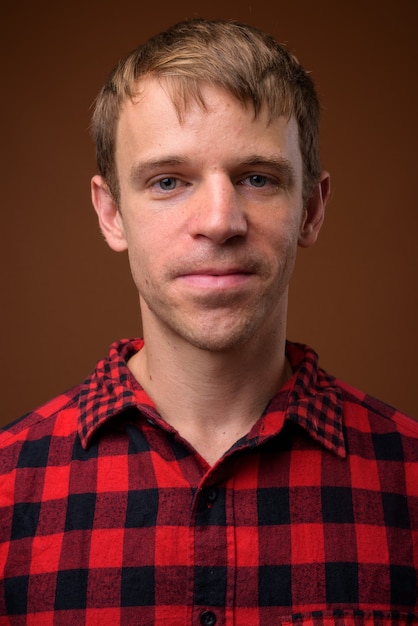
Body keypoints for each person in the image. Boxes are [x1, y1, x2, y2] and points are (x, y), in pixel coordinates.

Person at [0, 17, 417, 625]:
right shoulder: (8, 489)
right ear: (112, 213)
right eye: (168, 181)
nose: (220, 221)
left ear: (312, 208)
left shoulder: (408, 480)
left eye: (257, 179)